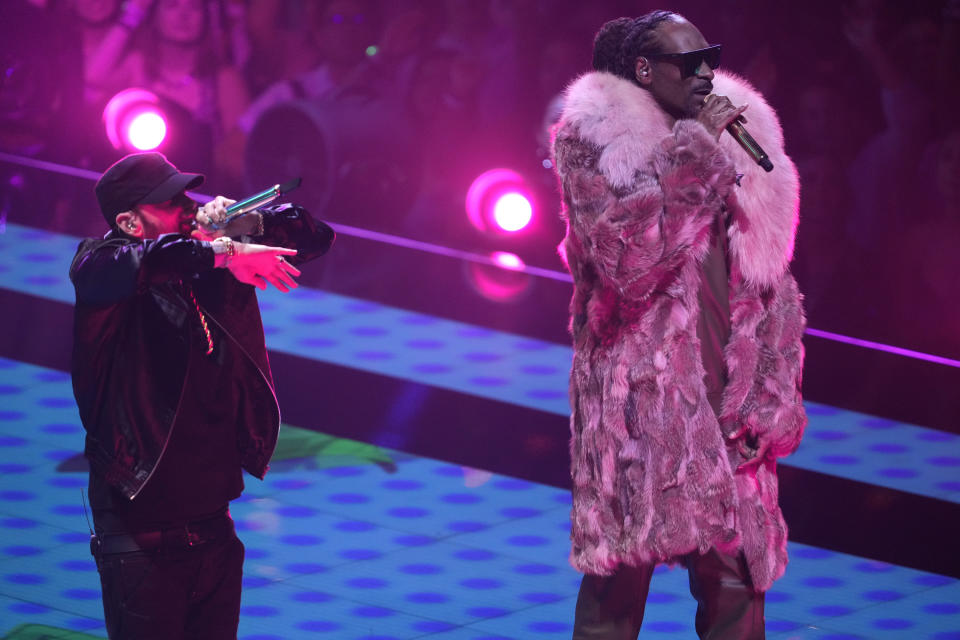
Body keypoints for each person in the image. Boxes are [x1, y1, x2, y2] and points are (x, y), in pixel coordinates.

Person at [551, 12, 806, 639]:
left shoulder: (744, 141)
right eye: (687, 62)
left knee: (737, 587)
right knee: (617, 590)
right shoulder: (595, 145)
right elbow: (629, 264)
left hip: (728, 399)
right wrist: (694, 153)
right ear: (644, 70)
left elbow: (773, 287)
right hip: (643, 406)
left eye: (709, 57)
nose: (705, 73)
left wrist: (770, 396)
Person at [69, 151, 334, 639]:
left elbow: (313, 235)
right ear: (128, 221)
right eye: (172, 203)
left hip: (214, 525)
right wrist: (225, 251)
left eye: (188, 196)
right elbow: (155, 259)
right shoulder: (99, 264)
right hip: (141, 533)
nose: (189, 208)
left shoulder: (208, 256)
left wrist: (245, 222)